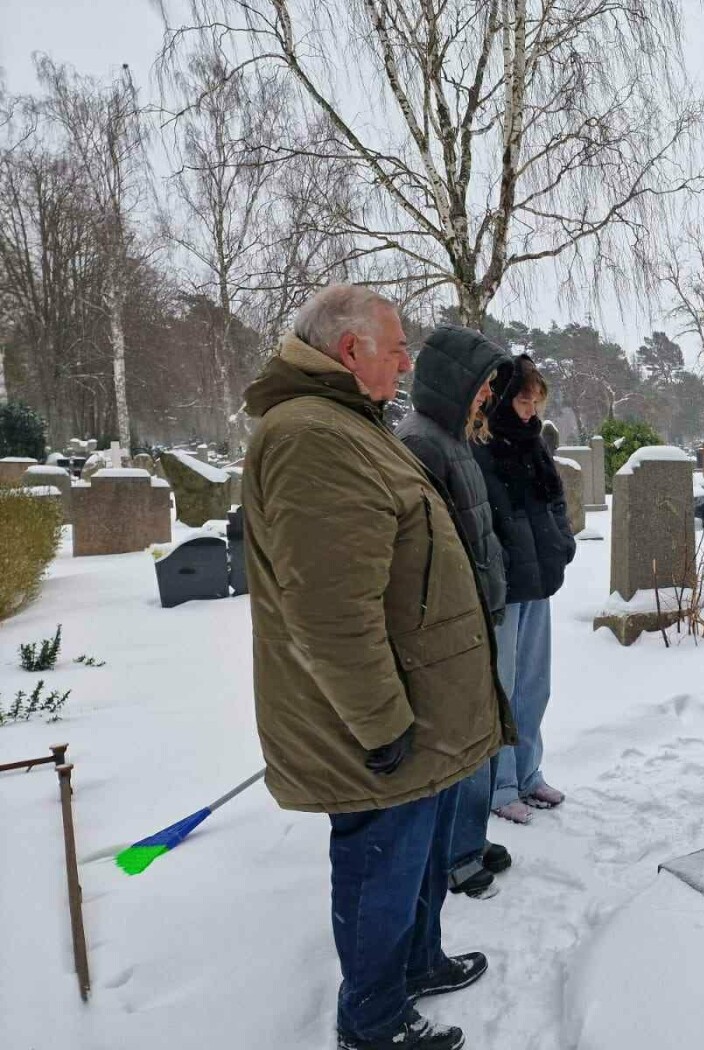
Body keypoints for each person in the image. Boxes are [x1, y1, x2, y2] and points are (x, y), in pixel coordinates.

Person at [242, 284, 509, 1050]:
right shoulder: (313, 438)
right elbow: (331, 608)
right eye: (395, 347)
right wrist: (382, 722)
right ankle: (372, 1020)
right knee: (380, 869)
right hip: (378, 719)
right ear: (350, 349)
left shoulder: (351, 424)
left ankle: (417, 963)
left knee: (416, 856)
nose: (406, 363)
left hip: (416, 700)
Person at [396, 324, 516, 899]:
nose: (488, 394)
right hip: (452, 619)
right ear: (455, 380)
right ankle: (455, 853)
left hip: (475, 612)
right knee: (460, 740)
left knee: (481, 734)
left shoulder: (451, 437)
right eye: (483, 383)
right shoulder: (421, 442)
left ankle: (468, 836)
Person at [475, 355, 576, 824]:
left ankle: (528, 773)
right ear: (500, 399)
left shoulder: (534, 444)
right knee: (504, 687)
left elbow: (555, 502)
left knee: (535, 686)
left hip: (538, 584)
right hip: (504, 591)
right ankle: (499, 785)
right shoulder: (481, 446)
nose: (531, 410)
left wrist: (561, 545)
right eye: (522, 400)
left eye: (536, 401)